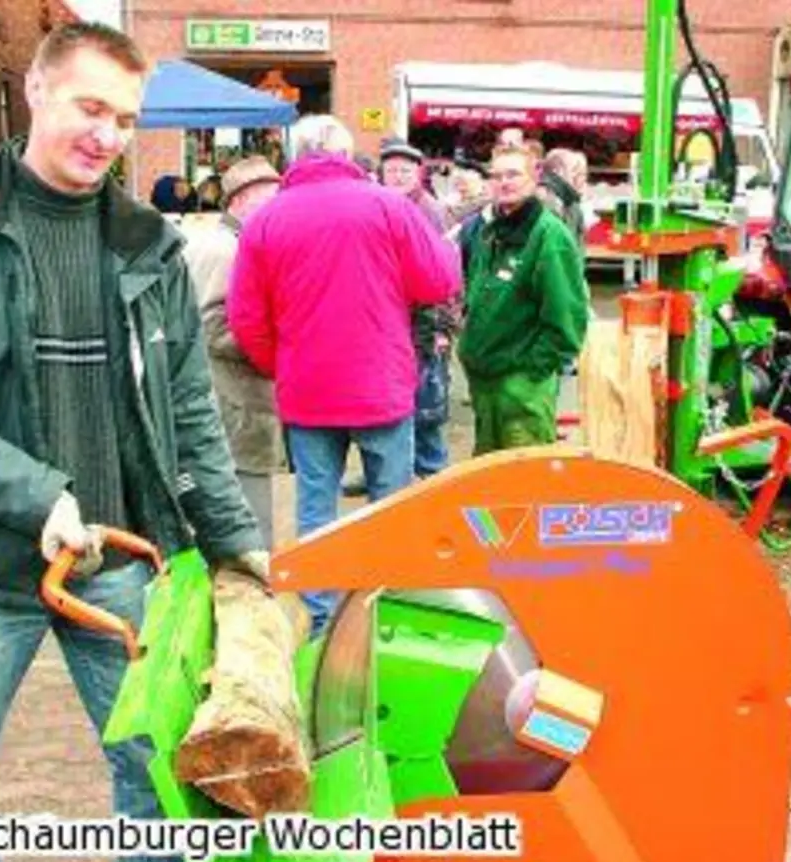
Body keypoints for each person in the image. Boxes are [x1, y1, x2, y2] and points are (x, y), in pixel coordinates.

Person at [0, 21, 265, 862]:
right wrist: (38, 495)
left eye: (125, 119)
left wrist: (237, 538)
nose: (107, 135)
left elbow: (188, 408)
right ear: (37, 92)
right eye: (91, 107)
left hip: (115, 559)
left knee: (152, 776)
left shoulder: (146, 242)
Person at [227, 115, 461, 635]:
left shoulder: (267, 220)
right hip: (381, 384)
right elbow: (439, 281)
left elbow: (245, 317)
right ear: (347, 154)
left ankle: (323, 623)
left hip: (308, 391)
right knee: (390, 504)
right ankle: (384, 613)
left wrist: (281, 364)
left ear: (297, 155)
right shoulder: (387, 206)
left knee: (316, 508)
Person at [457, 144, 589, 453]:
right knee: (489, 483)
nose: (504, 182)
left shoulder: (548, 236)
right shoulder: (491, 231)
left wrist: (530, 375)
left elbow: (567, 323)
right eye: (497, 175)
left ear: (535, 178)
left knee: (523, 485)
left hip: (521, 390)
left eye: (513, 174)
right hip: (483, 383)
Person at [182, 155, 285, 549]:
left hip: (237, 394)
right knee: (246, 502)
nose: (279, 205)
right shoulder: (223, 250)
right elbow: (212, 326)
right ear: (240, 199)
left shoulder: (236, 243)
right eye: (269, 196)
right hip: (233, 394)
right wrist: (272, 348)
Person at [377, 137, 458, 483]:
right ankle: (392, 471)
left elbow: (450, 271)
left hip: (426, 322)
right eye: (391, 170)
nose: (396, 176)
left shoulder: (431, 211)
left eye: (404, 170)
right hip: (393, 321)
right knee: (396, 399)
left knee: (428, 403)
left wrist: (443, 327)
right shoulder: (378, 204)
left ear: (418, 174)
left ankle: (432, 473)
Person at [539, 147, 589, 245]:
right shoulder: (547, 199)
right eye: (575, 171)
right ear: (558, 171)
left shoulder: (571, 202)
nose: (581, 179)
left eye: (583, 174)